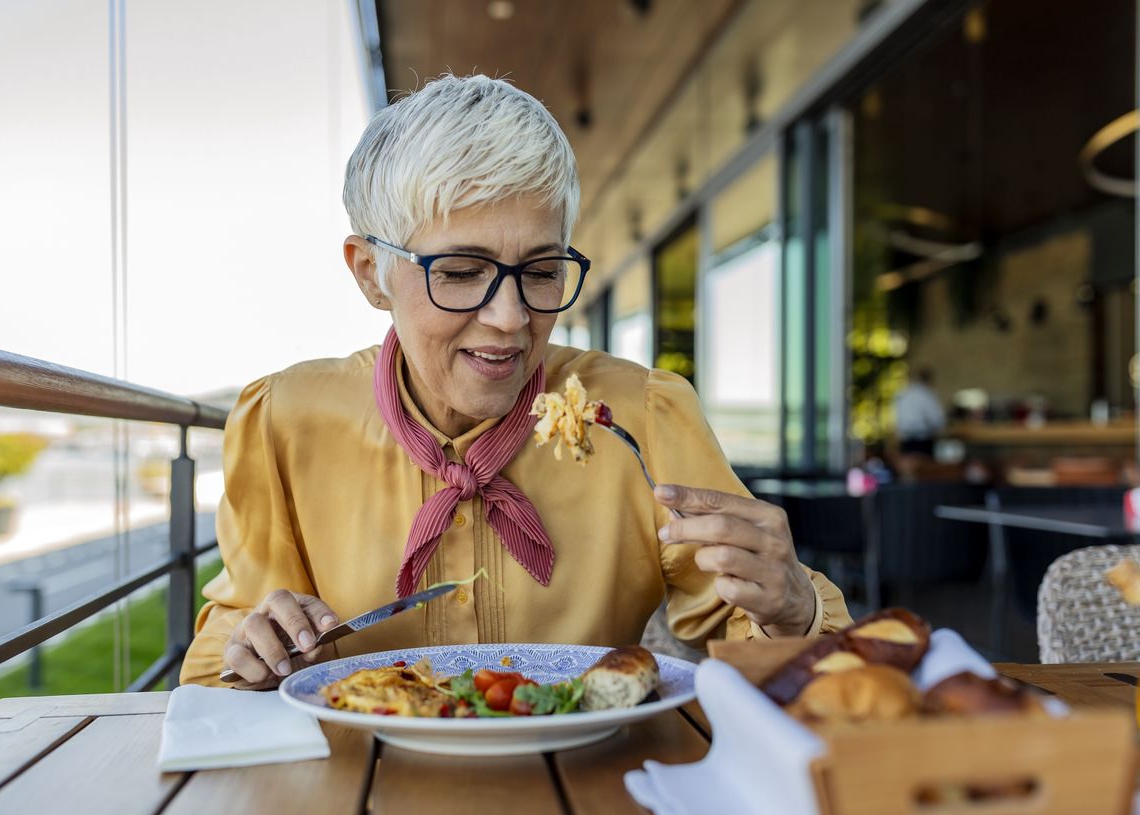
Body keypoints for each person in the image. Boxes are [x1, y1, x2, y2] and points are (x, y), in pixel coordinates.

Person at [180, 75, 851, 689]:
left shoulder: (642, 416)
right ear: (368, 273)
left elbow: (778, 641)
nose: (511, 320)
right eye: (462, 272)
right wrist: (256, 653)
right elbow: (218, 668)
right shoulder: (283, 421)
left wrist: (790, 607)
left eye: (541, 270)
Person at [893, 367, 946, 459]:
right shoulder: (927, 394)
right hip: (923, 441)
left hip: (905, 440)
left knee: (908, 467)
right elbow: (936, 419)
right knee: (923, 468)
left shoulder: (903, 394)